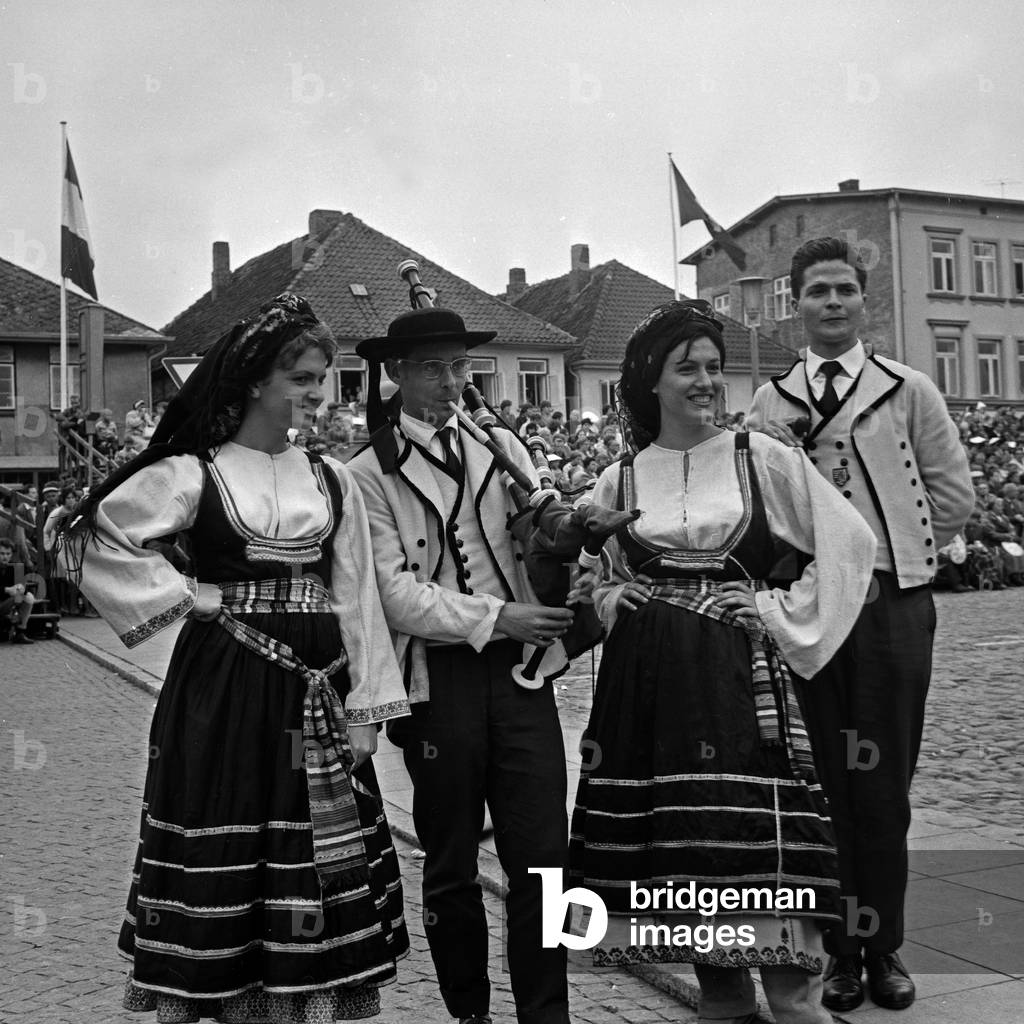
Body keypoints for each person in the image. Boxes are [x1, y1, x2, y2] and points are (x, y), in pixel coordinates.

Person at [62, 293, 410, 1022]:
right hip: (224, 688)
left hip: (318, 695)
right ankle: (223, 998)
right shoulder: (193, 473)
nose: (318, 395)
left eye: (325, 379)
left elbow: (359, 600)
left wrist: (370, 711)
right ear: (256, 380)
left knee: (312, 849)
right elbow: (84, 534)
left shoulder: (332, 479)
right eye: (304, 379)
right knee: (228, 835)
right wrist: (191, 594)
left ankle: (298, 1003)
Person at [568, 300, 876, 1024]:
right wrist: (610, 599)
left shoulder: (760, 457)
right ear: (651, 383)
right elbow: (583, 571)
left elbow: (851, 542)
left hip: (739, 685)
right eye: (689, 369)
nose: (707, 381)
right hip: (649, 694)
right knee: (698, 904)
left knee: (769, 900)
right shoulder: (620, 479)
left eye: (714, 367)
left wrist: (775, 611)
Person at [747, 237, 974, 1012]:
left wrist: (890, 560)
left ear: (863, 301)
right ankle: (836, 953)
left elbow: (951, 498)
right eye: (818, 292)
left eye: (845, 289)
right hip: (807, 607)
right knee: (819, 784)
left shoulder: (908, 389)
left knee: (884, 786)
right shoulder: (769, 402)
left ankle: (883, 947)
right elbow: (755, 508)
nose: (833, 303)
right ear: (797, 305)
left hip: (889, 608)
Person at [348, 304, 575, 1024]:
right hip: (437, 682)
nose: (450, 385)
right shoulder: (365, 473)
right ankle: (469, 1012)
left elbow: (531, 540)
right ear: (396, 377)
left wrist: (555, 525)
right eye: (432, 370)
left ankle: (547, 1014)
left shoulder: (499, 443)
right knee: (450, 865)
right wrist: (496, 616)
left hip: (519, 677)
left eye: (459, 369)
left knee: (542, 859)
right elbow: (396, 596)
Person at [0, 537, 37, 644]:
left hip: (8, 603)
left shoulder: (15, 567)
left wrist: (22, 589)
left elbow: (21, 588)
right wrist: (7, 589)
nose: (5, 557)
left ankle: (20, 632)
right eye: (2, 554)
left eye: (8, 554)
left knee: (28, 597)